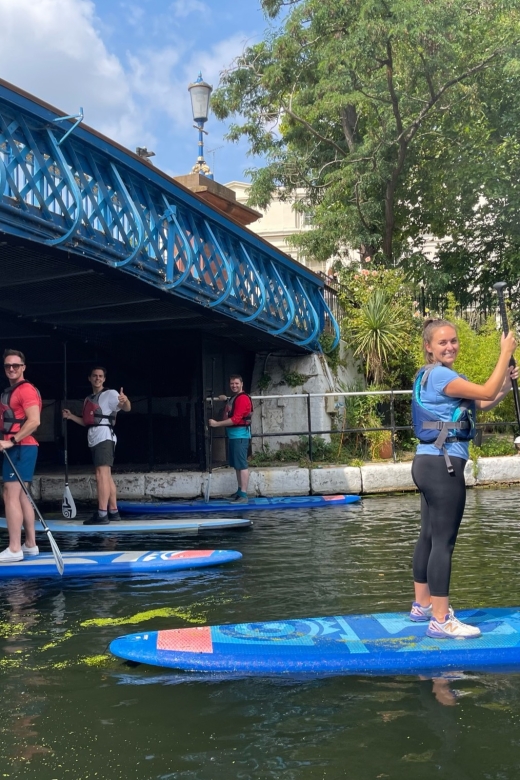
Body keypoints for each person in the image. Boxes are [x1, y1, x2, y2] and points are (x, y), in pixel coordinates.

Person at [410, 317, 518, 639]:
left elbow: (481, 401)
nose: (450, 346)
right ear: (429, 347)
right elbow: (485, 388)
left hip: (426, 463)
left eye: (453, 341)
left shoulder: (429, 376)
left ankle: (423, 605)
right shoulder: (442, 374)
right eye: (442, 342)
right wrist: (504, 352)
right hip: (444, 467)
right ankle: (441, 621)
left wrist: (508, 386)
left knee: (429, 535)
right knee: (444, 543)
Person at [63, 367, 131, 525]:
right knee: (106, 475)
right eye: (95, 376)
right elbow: (87, 422)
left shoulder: (111, 394)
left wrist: (125, 400)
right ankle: (113, 512)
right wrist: (71, 416)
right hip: (94, 437)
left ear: (104, 379)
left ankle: (102, 514)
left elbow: (126, 408)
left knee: (101, 475)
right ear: (89, 378)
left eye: (100, 376)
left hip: (104, 437)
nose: (97, 378)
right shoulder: (88, 399)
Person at [0, 350, 42, 561]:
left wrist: (11, 441)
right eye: (8, 366)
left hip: (20, 447)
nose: (11, 369)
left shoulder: (25, 390)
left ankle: (14, 549)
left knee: (10, 494)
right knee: (22, 496)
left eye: (16, 365)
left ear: (23, 367)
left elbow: (34, 421)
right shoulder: (13, 390)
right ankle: (30, 545)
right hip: (21, 448)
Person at [208, 374, 253, 503]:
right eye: (232, 384)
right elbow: (232, 405)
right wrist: (225, 399)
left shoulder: (243, 398)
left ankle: (243, 494)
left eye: (236, 383)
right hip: (234, 436)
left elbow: (235, 419)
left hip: (240, 436)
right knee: (237, 465)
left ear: (242, 384)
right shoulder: (235, 397)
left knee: (241, 464)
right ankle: (239, 492)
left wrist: (217, 424)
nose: (234, 386)